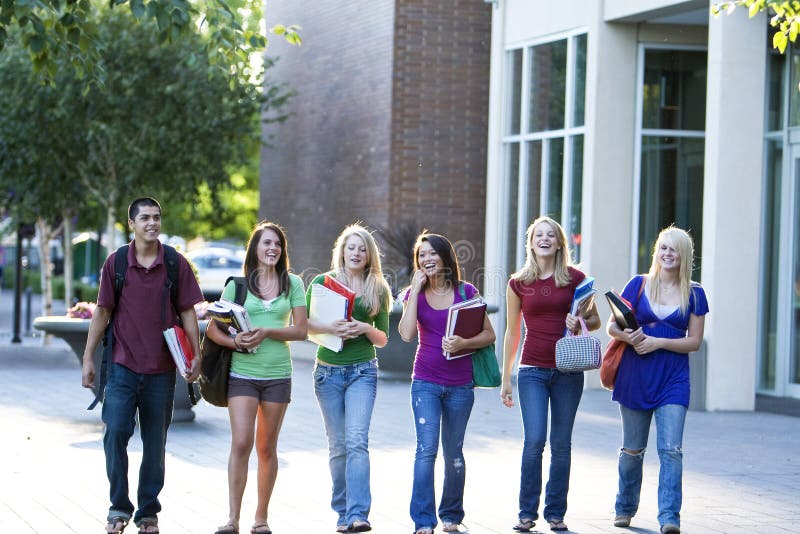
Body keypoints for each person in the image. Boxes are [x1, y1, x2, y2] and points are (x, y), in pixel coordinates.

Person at [81, 197, 204, 534]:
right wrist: (88, 356)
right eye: (145, 218)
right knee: (115, 433)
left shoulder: (175, 263)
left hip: (161, 372)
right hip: (122, 368)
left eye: (157, 217)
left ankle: (148, 513)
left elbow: (188, 312)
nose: (152, 223)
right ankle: (118, 507)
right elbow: (102, 311)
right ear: (132, 223)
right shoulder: (116, 263)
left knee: (155, 443)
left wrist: (196, 354)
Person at [204, 221, 308, 534]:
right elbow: (213, 329)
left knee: (266, 447)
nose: (272, 248)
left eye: (277, 244)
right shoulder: (237, 285)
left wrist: (267, 332)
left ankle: (260, 518)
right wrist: (236, 341)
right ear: (255, 248)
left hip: (277, 375)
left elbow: (301, 330)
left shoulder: (293, 284)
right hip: (242, 374)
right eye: (266, 243)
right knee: (241, 442)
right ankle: (232, 518)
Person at [500, 216, 601, 533]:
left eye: (550, 235)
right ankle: (526, 513)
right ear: (530, 243)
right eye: (538, 235)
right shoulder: (518, 283)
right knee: (534, 441)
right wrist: (506, 378)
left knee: (561, 443)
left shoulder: (577, 279)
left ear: (559, 243)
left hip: (568, 370)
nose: (544, 239)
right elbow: (512, 332)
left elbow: (595, 320)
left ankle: (555, 513)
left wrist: (578, 323)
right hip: (531, 370)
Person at [608, 226, 708, 534]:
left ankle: (669, 518)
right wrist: (631, 335)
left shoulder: (695, 293)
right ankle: (624, 507)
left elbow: (694, 342)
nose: (667, 254)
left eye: (674, 249)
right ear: (657, 252)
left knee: (671, 450)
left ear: (684, 256)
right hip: (635, 375)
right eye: (663, 248)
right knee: (632, 450)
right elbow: (612, 327)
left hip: (673, 379)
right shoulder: (638, 284)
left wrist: (658, 342)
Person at [397, 232, 496, 534]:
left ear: (444, 257)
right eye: (421, 255)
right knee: (426, 450)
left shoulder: (466, 292)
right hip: (425, 382)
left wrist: (464, 341)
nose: (427, 259)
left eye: (432, 254)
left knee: (454, 451)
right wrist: (413, 292)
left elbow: (489, 335)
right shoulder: (413, 294)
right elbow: (405, 334)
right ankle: (423, 521)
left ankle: (451, 515)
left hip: (460, 385)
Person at [306, 224, 393, 533]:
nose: (356, 253)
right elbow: (305, 326)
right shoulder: (322, 283)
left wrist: (364, 328)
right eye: (351, 247)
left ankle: (358, 515)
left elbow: (382, 338)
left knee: (357, 442)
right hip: (327, 373)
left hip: (362, 372)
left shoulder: (378, 288)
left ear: (369, 255)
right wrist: (332, 328)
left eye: (362, 248)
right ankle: (342, 514)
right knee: (338, 446)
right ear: (341, 250)